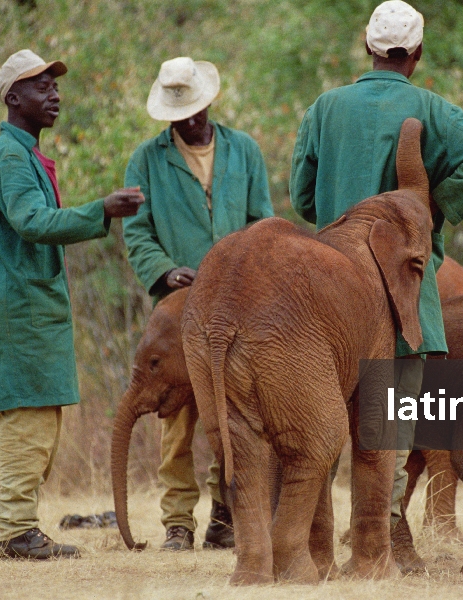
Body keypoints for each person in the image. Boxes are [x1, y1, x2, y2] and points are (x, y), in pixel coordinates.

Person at [289, 0, 463, 573]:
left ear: (367, 47)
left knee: (323, 421)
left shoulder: (325, 107)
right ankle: (379, 543)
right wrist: (429, 210)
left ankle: (315, 548)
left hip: (328, 290)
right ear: (417, 54)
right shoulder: (429, 107)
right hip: (402, 291)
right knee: (386, 425)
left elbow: (303, 197)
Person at [0, 49, 144, 560]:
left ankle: (17, 527)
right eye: (41, 86)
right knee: (30, 415)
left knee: (41, 415)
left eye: (54, 85)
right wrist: (102, 211)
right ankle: (11, 532)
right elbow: (31, 222)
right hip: (20, 308)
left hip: (30, 306)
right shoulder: (9, 157)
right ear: (13, 98)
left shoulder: (22, 154)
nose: (54, 94)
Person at [123, 57, 274, 551]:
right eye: (176, 112)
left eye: (192, 108)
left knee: (235, 410)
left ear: (208, 102)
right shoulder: (147, 160)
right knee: (178, 417)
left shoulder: (244, 150)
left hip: (239, 303)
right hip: (179, 307)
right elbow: (136, 232)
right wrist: (164, 270)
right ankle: (177, 524)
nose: (186, 119)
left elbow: (263, 223)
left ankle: (226, 515)